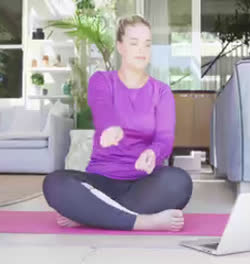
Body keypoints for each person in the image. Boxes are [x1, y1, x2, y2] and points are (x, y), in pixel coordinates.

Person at [42, 15, 193, 232]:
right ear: (120, 46)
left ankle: (92, 215)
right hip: (101, 182)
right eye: (134, 43)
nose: (141, 50)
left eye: (147, 44)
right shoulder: (102, 80)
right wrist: (110, 127)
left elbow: (165, 138)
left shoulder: (161, 91)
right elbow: (102, 108)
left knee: (179, 182)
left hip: (145, 184)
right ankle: (142, 222)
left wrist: (154, 152)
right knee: (54, 183)